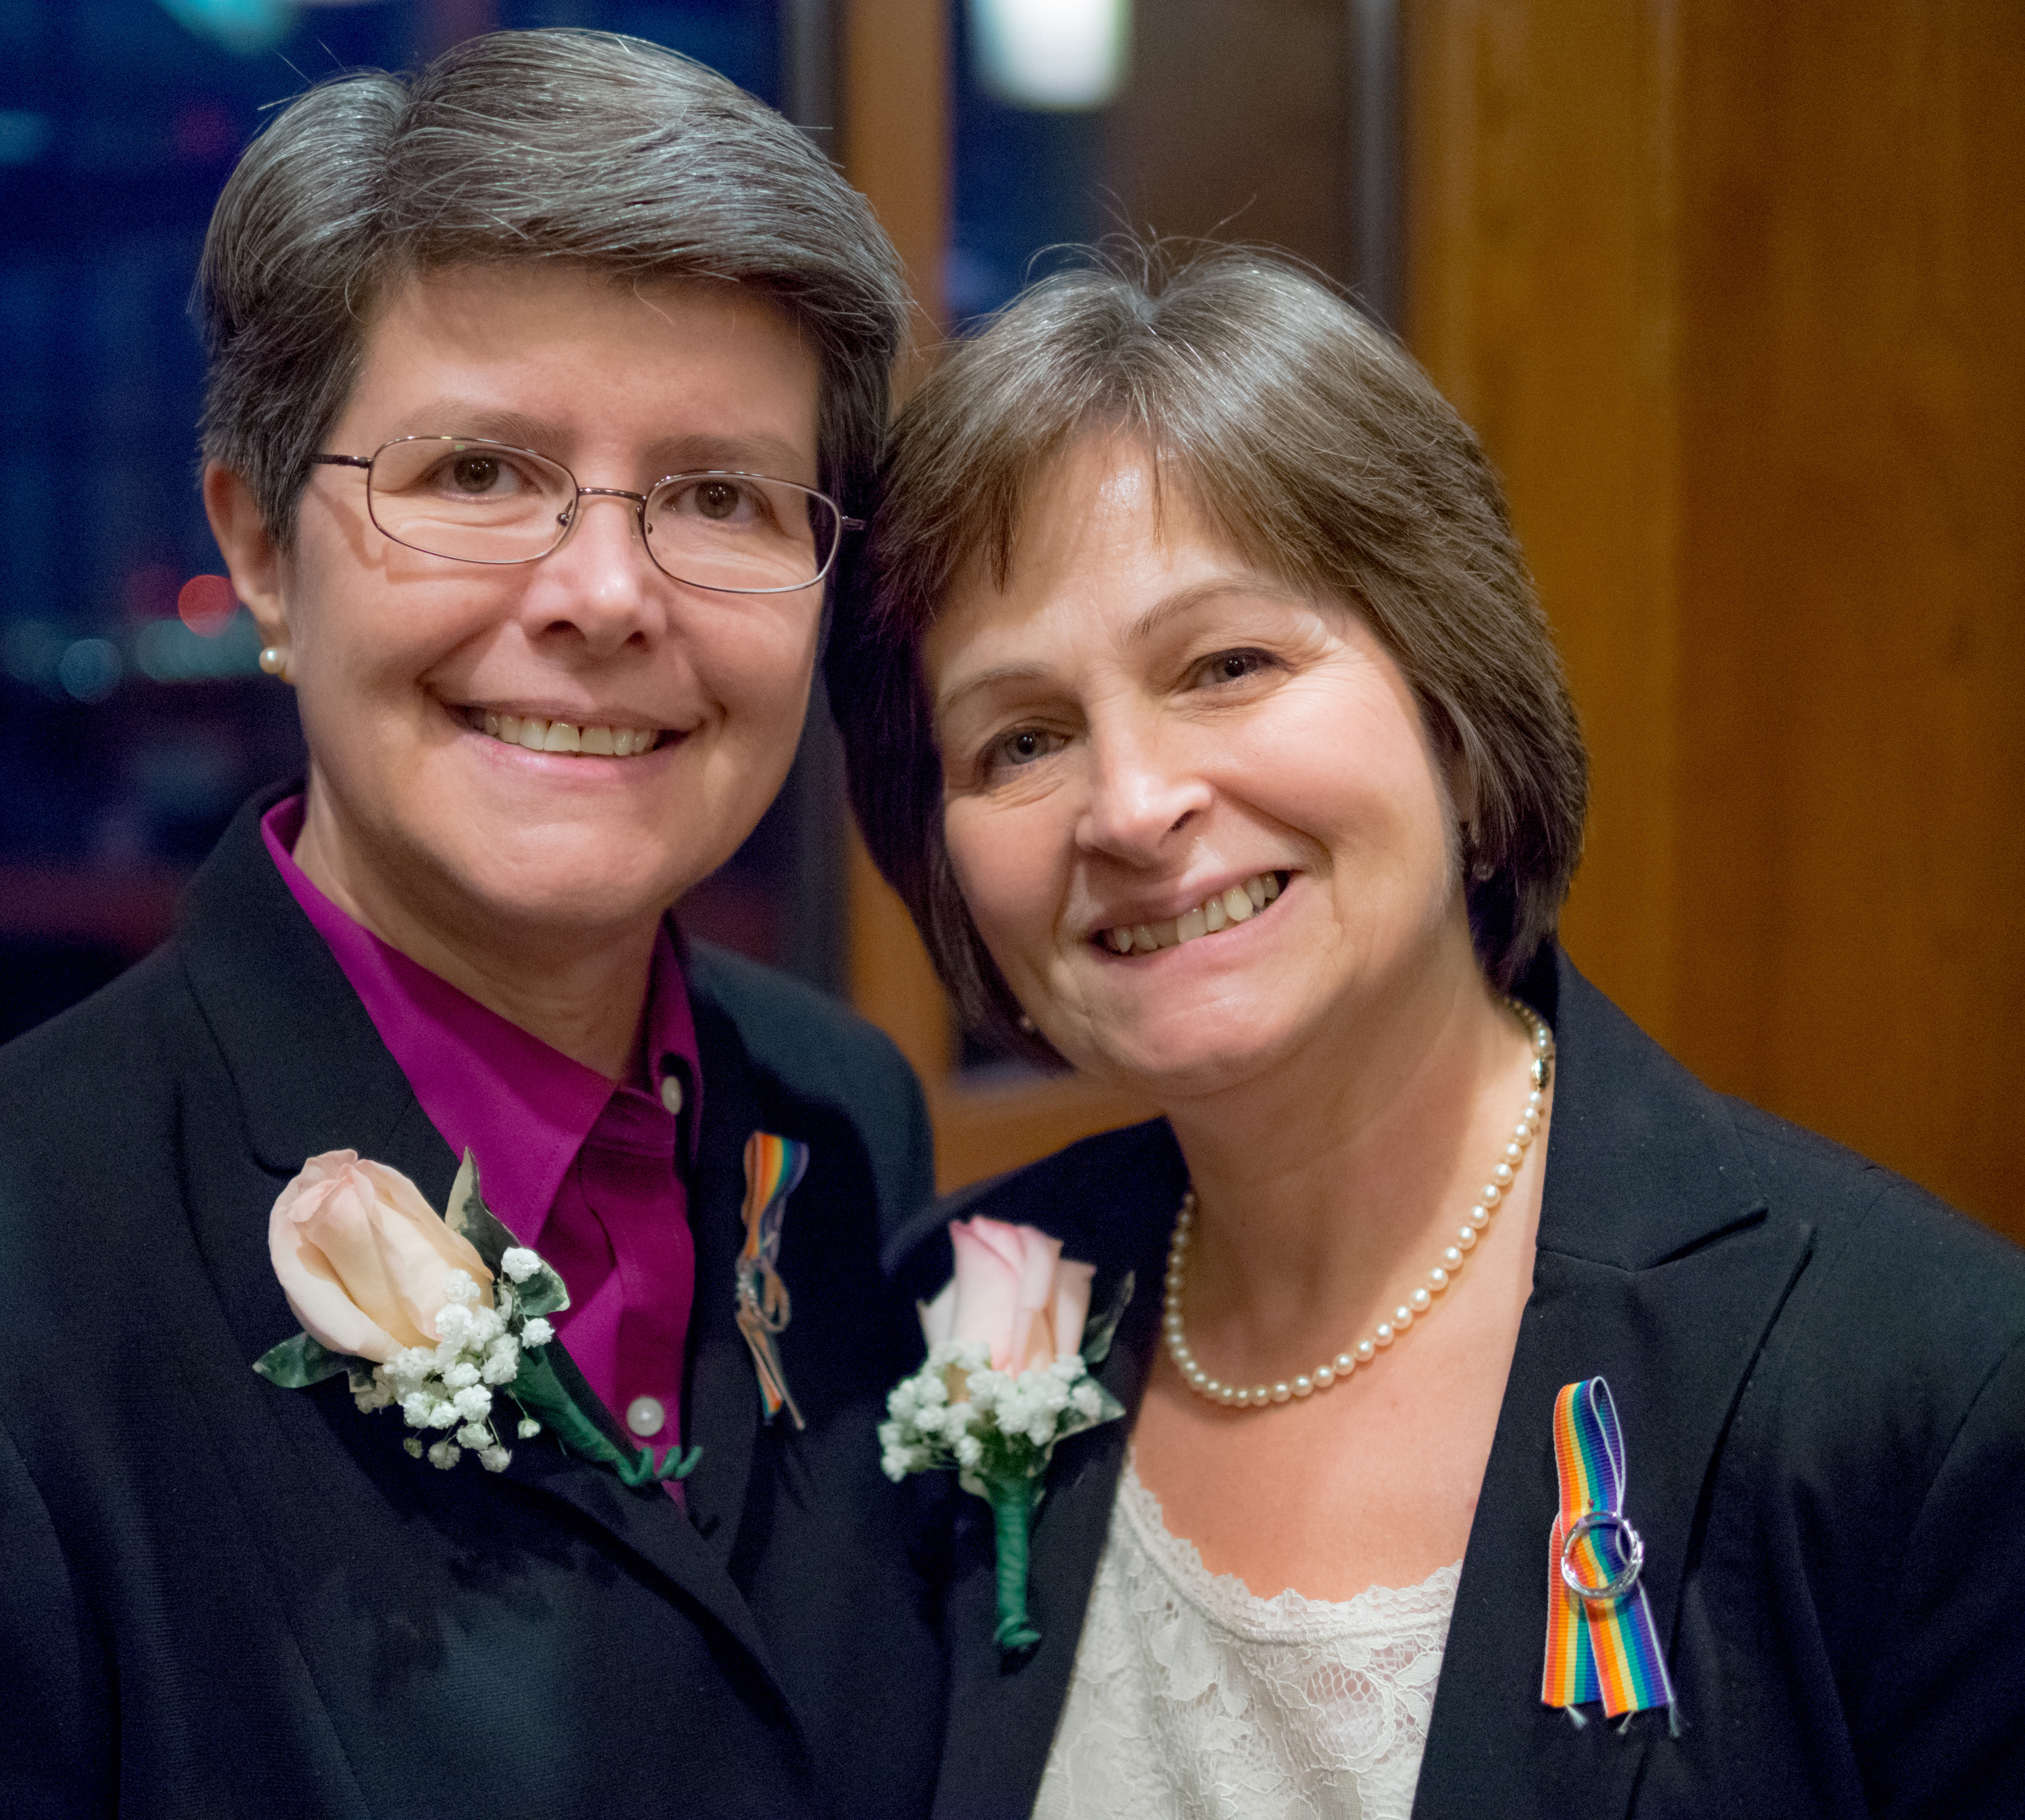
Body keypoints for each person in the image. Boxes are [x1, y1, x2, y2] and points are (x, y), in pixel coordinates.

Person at [0, 32, 945, 1819]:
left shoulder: (839, 1116)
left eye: (719, 496)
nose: (608, 595)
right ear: (254, 548)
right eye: (477, 473)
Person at [828, 249, 2025, 1819]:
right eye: (1024, 738)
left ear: (1457, 723)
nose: (1129, 807)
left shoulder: (1919, 1391)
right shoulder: (949, 1312)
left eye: (1228, 665)